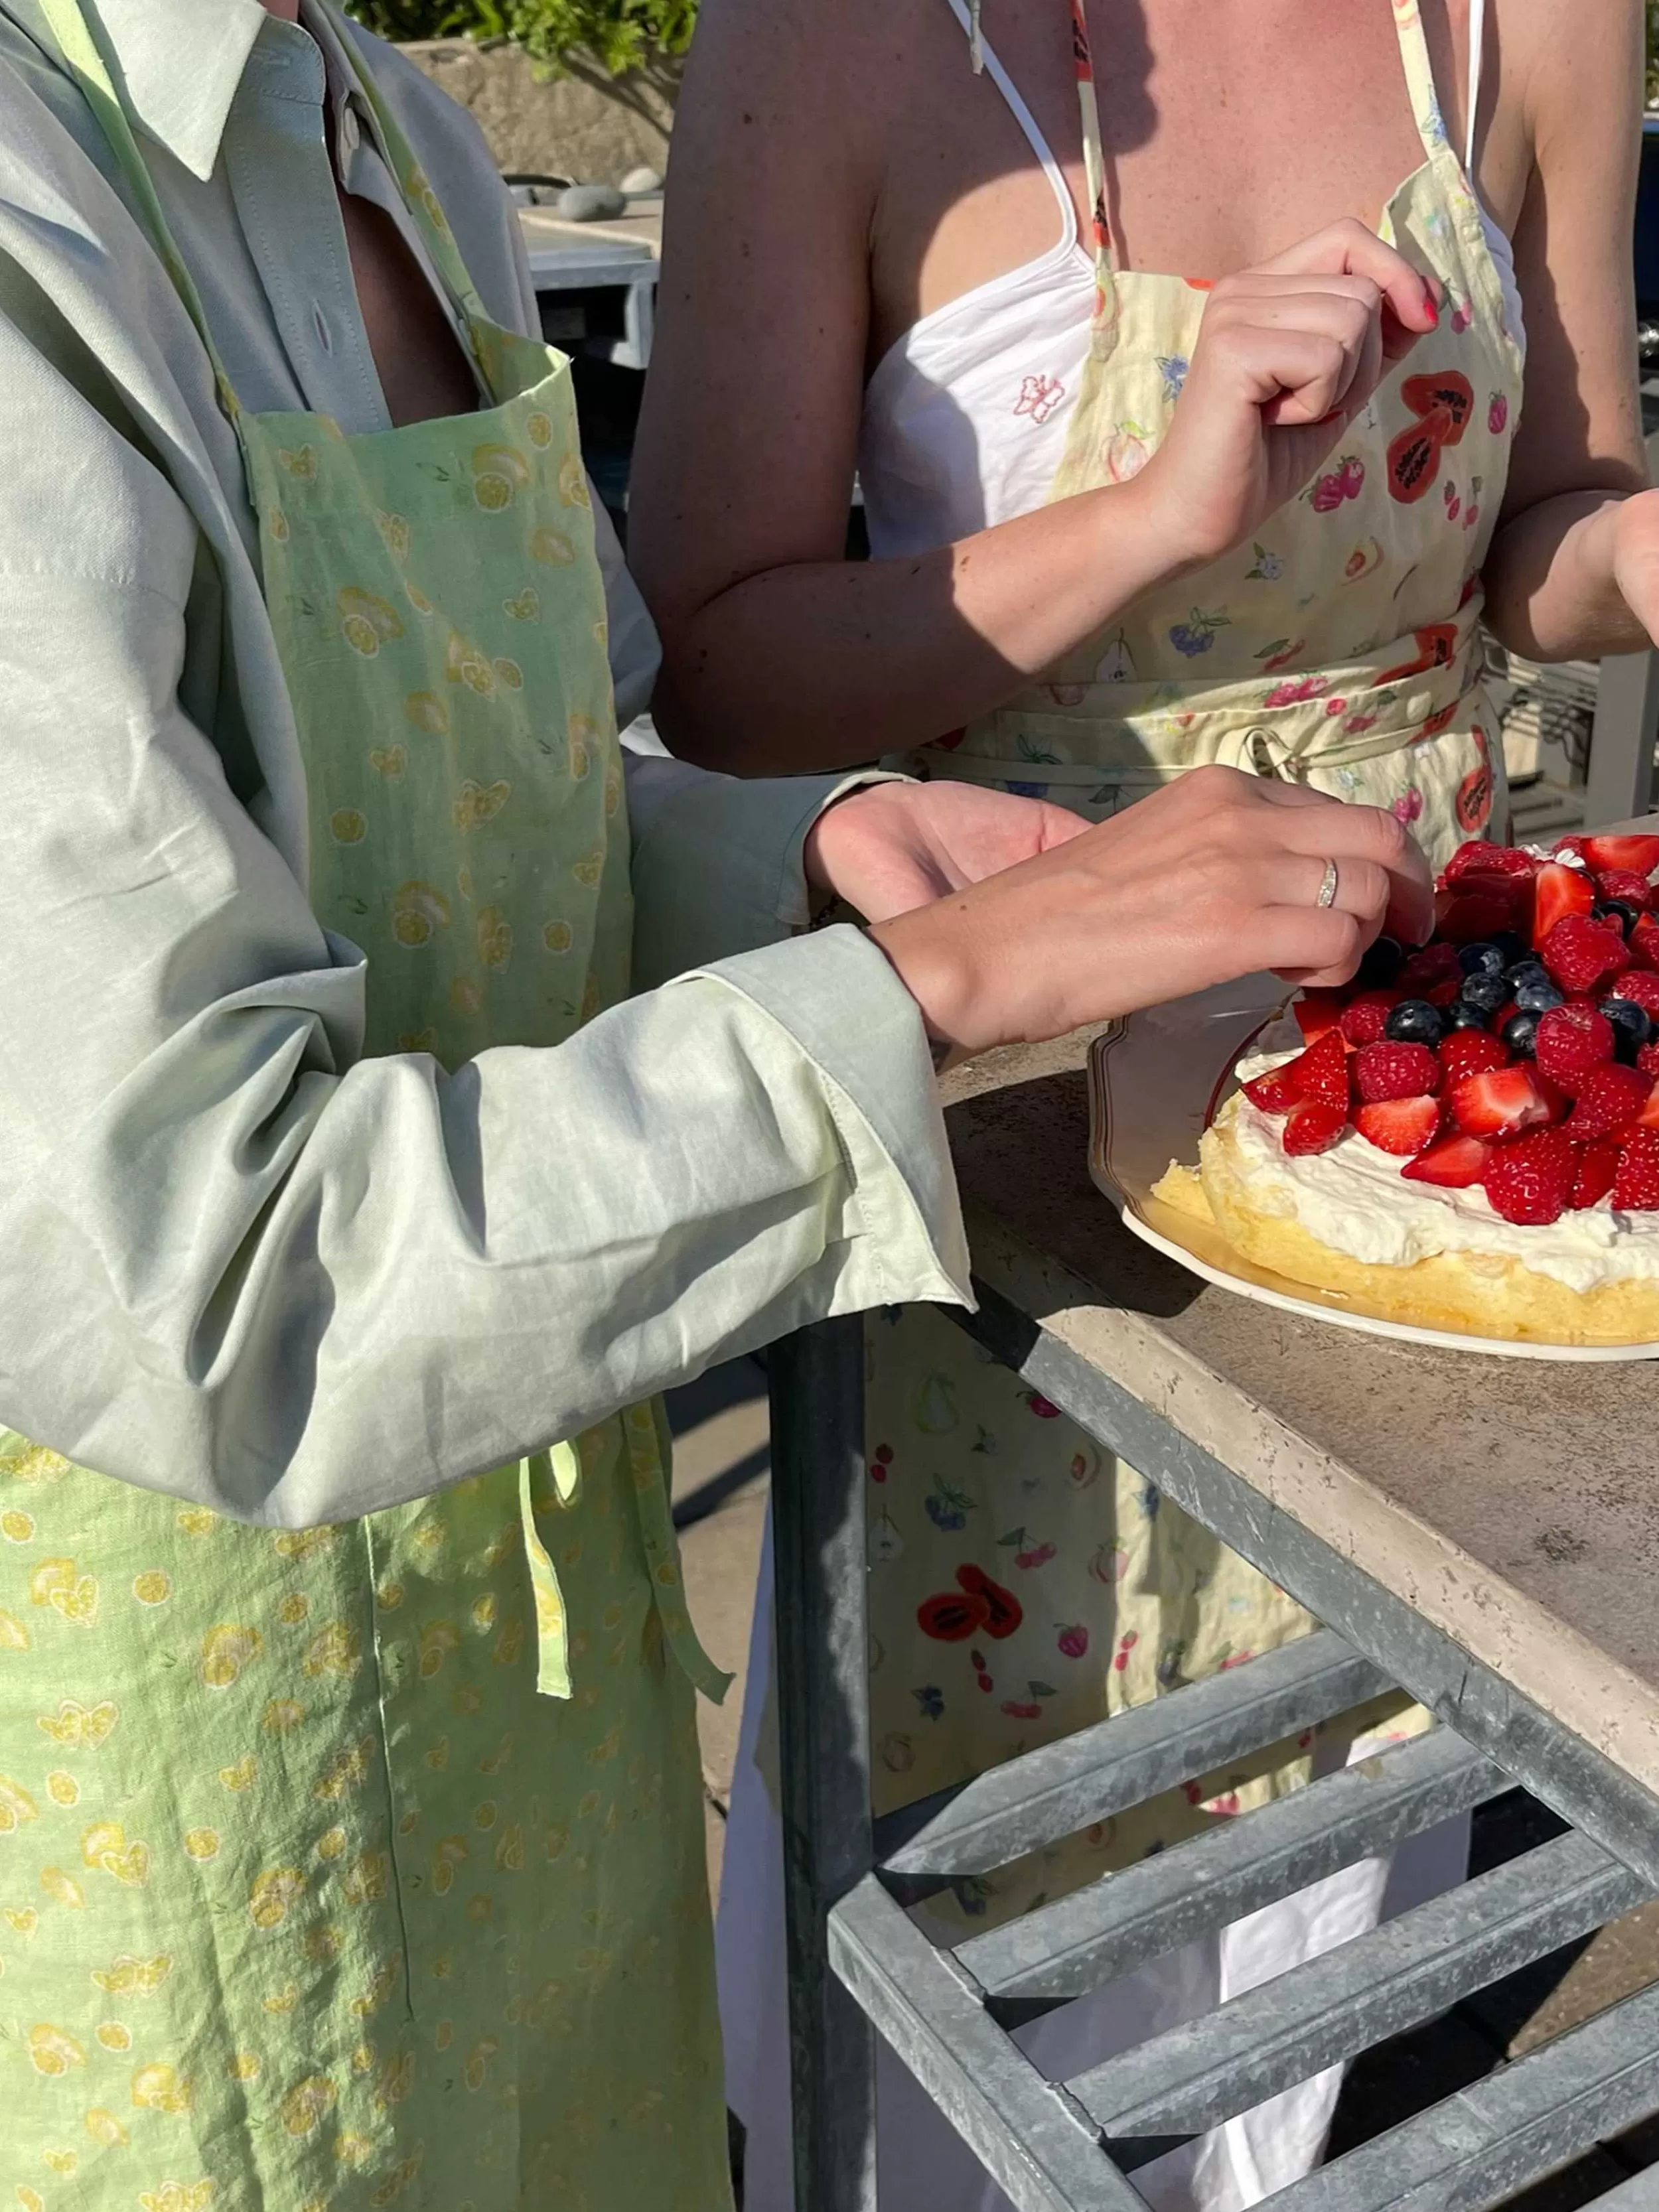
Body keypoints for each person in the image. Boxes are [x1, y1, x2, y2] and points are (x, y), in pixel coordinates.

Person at [0, 0, 1437, 2204]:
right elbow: (210, 1281)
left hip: (534, 1645)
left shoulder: (388, 130)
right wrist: (931, 985)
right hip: (189, 1757)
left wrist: (812, 850)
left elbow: (510, 787)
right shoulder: (38, 217)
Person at [628, 0, 1659, 2204]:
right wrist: (1151, 516)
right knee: (982, 1839)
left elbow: (1539, 534)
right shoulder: (818, 42)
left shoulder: (1536, 19)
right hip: (990, 1074)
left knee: (1348, 1774)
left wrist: (1639, 555)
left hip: (1409, 1079)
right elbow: (712, 668)